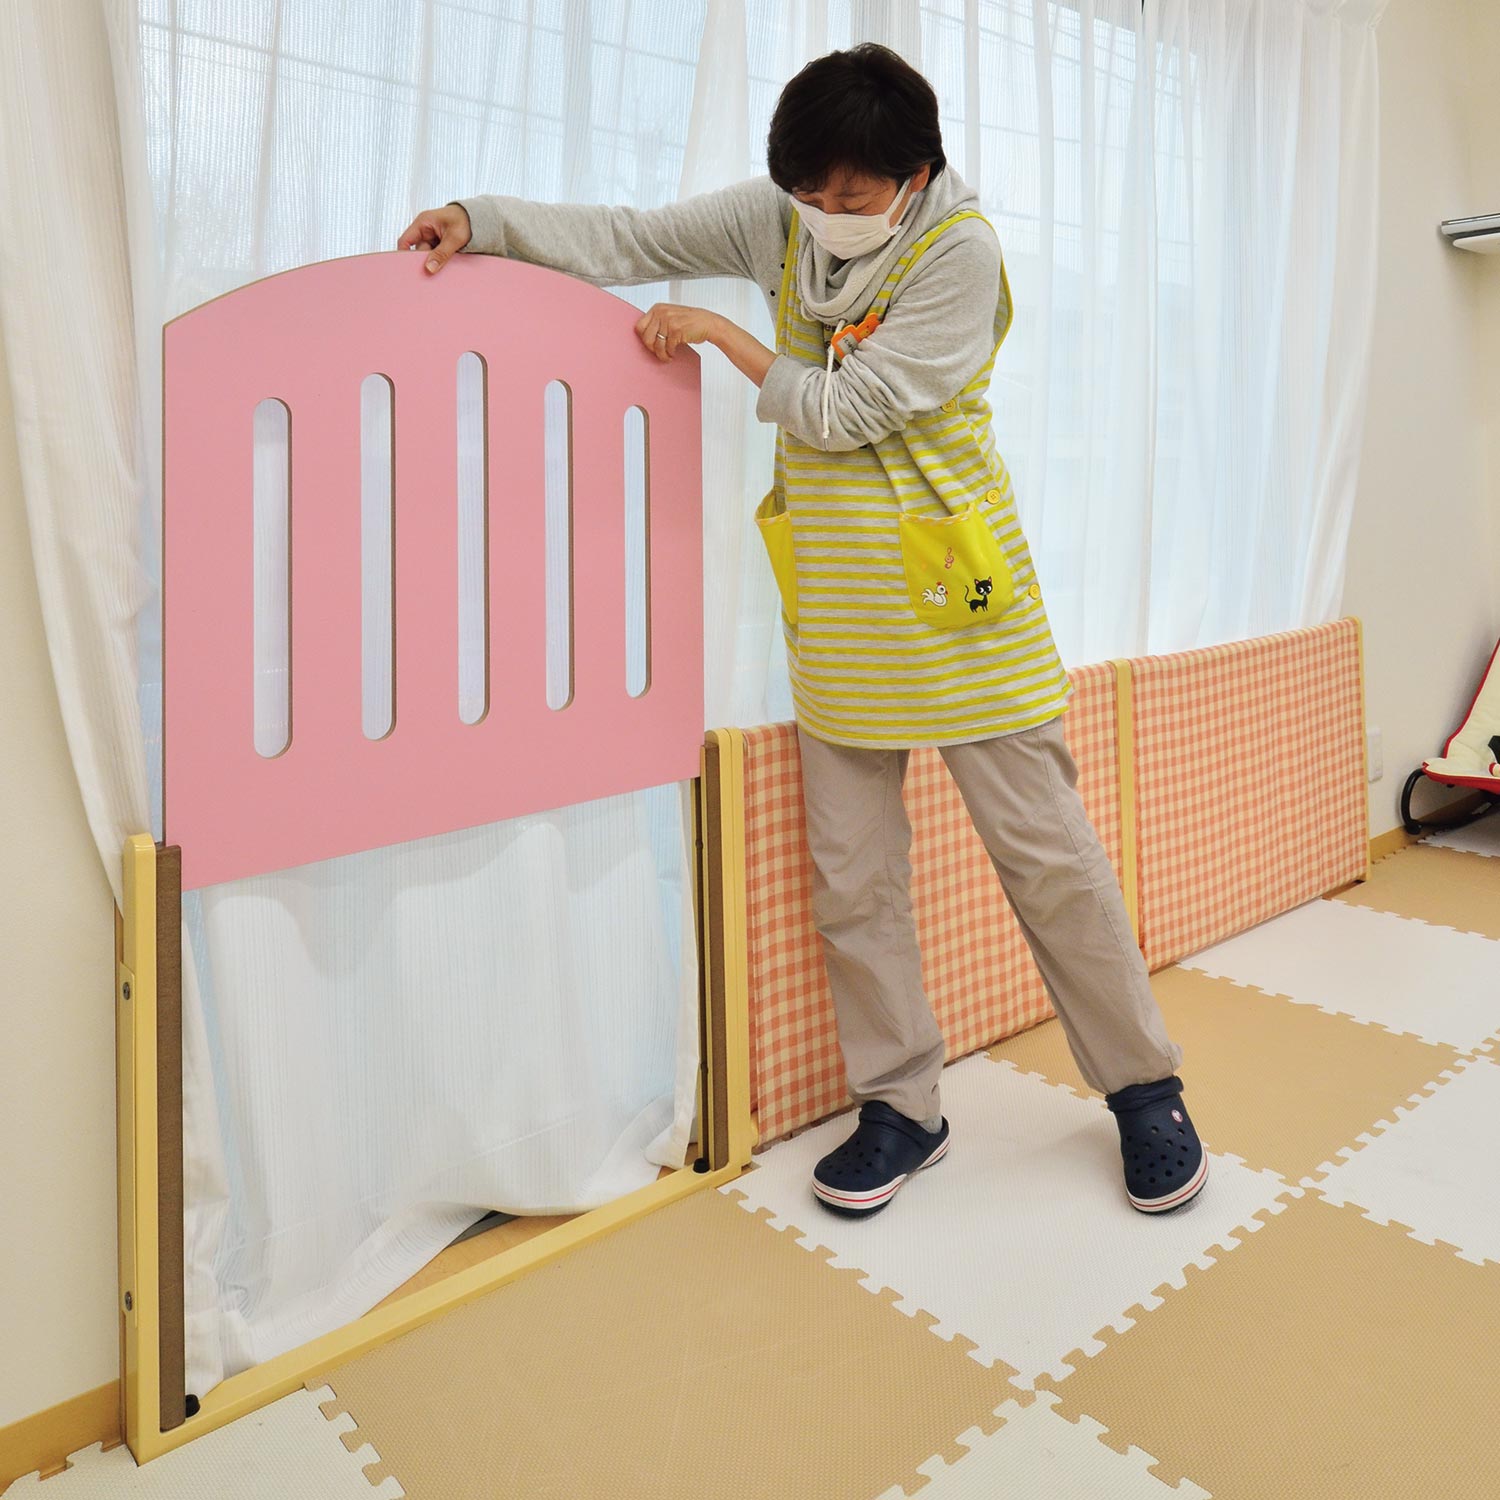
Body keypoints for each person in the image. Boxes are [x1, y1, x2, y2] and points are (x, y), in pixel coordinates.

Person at [399, 43, 1207, 1220]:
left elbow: (843, 409)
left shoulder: (959, 252)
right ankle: (901, 1106)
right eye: (808, 189)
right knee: (853, 883)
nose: (826, 210)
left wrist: (722, 338)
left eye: (852, 192)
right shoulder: (784, 221)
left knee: (1051, 865)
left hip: (961, 608)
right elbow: (632, 236)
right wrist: (483, 220)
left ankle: (1145, 1089)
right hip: (838, 607)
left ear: (915, 174)